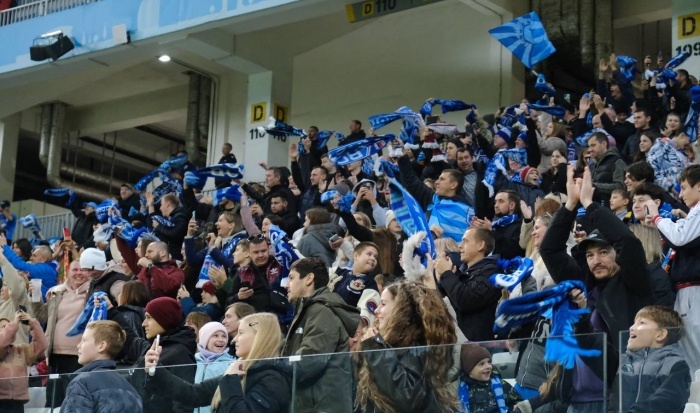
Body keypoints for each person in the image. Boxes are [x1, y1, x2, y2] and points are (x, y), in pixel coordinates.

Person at [144, 312, 291, 413]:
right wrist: (155, 369)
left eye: (241, 333)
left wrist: (230, 380)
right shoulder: (241, 372)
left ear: (259, 337)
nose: (234, 339)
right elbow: (193, 394)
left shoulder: (273, 380)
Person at [355, 281, 459, 413]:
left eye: (383, 304)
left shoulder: (415, 347)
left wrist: (375, 349)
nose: (376, 310)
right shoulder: (391, 344)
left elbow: (406, 397)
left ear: (401, 309)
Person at [282, 257, 360, 413]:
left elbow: (309, 361)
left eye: (291, 278)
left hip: (321, 407)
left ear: (309, 279)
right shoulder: (309, 309)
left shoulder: (321, 311)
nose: (286, 285)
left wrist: (274, 371)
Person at [647, 164, 700, 373]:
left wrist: (657, 216)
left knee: (695, 354)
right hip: (688, 290)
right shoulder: (694, 212)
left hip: (694, 290)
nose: (681, 194)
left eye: (684, 187)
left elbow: (679, 237)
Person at [111, 296, 197, 413]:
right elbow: (129, 339)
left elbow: (183, 404)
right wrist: (110, 310)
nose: (143, 324)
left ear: (164, 319)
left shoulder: (180, 354)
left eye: (149, 318)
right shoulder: (153, 348)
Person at [609, 306, 689, 413]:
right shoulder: (623, 361)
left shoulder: (676, 365)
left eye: (641, 323)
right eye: (634, 323)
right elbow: (594, 346)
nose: (631, 328)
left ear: (660, 335)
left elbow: (666, 400)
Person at [32, 260, 90, 406]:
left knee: (75, 398)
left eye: (82, 269)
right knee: (54, 399)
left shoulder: (93, 293)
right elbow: (41, 316)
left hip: (80, 356)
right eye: (75, 270)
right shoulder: (57, 293)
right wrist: (35, 295)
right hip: (55, 355)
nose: (78, 273)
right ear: (68, 272)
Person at [433, 227, 500, 341]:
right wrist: (443, 277)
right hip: (458, 342)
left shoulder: (491, 272)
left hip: (480, 347)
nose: (460, 246)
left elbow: (466, 301)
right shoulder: (463, 273)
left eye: (465, 241)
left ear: (480, 245)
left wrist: (447, 274)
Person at [61, 320, 143, 413]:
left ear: (101, 346)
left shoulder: (81, 383)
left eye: (84, 340)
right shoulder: (130, 389)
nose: (78, 345)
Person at [0, 310, 47, 413]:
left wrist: (32, 323)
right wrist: (14, 323)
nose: (9, 328)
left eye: (9, 325)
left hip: (18, 403)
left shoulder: (21, 350)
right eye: (4, 327)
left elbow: (42, 345)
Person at [457, 344, 522, 412]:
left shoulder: (501, 384)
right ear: (470, 371)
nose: (488, 366)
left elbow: (518, 403)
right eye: (481, 364)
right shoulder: (461, 390)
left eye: (489, 362)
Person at [227, 234, 282, 312]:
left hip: (282, 314)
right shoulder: (242, 272)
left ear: (268, 249)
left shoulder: (279, 265)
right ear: (249, 253)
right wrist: (237, 297)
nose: (260, 255)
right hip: (255, 316)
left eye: (263, 251)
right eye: (256, 252)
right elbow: (227, 302)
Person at [191, 322, 235, 413]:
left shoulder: (232, 364)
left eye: (224, 336)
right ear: (205, 339)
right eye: (215, 335)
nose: (221, 339)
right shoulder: (192, 360)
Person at [472, 190, 524, 259]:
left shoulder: (520, 226)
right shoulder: (496, 225)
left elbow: (511, 250)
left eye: (501, 201)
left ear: (512, 205)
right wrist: (477, 230)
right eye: (495, 202)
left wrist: (491, 231)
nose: (496, 205)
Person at [330, 242, 380, 307]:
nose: (373, 259)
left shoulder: (371, 284)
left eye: (376, 257)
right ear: (356, 256)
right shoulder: (337, 272)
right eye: (369, 254)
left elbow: (365, 312)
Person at [147, 193, 189, 260]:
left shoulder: (181, 216)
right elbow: (152, 222)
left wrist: (158, 226)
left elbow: (175, 234)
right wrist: (150, 205)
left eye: (161, 204)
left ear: (167, 204)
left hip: (178, 256)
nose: (160, 208)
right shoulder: (171, 217)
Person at [587, 132, 626, 206]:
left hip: (610, 207)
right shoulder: (594, 165)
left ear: (604, 144)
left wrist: (594, 186)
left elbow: (620, 187)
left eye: (593, 145)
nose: (590, 149)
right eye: (589, 146)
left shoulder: (617, 161)